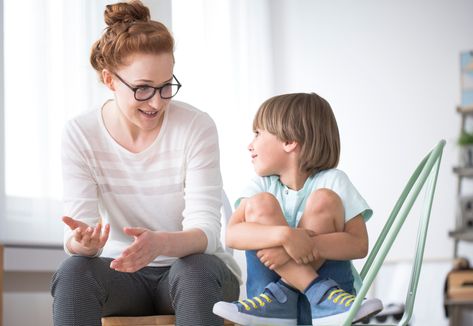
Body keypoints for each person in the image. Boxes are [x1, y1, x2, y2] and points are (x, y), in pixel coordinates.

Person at [50, 1, 240, 325]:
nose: (157, 101)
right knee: (73, 272)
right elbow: (79, 231)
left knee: (196, 269)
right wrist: (82, 242)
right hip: (122, 275)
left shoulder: (196, 126)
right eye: (142, 89)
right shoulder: (81, 133)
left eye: (166, 86)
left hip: (193, 273)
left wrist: (162, 243)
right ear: (110, 80)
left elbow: (206, 231)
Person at [213, 93, 383, 325]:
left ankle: (309, 297)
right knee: (261, 203)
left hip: (333, 311)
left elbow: (358, 244)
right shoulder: (261, 186)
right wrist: (286, 236)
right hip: (270, 311)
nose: (250, 144)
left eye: (258, 133)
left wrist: (306, 245)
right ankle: (316, 292)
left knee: (324, 200)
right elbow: (232, 236)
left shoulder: (333, 181)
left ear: (289, 141)